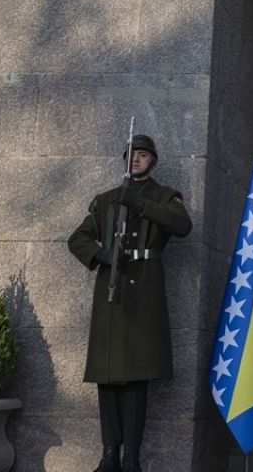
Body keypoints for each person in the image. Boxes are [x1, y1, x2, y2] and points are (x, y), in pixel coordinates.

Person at [68, 134, 193, 472]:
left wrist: (140, 204)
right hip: (112, 287)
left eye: (142, 154)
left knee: (137, 376)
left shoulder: (164, 196)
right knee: (107, 375)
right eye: (130, 155)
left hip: (144, 291)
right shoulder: (105, 199)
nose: (135, 160)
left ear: (152, 159)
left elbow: (182, 225)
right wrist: (101, 254)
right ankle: (109, 454)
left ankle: (132, 456)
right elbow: (77, 238)